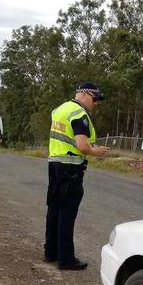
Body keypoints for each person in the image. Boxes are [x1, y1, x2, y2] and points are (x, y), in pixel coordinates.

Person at [44, 82, 110, 270]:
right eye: (95, 99)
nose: (96, 103)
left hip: (55, 164)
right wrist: (95, 152)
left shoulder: (59, 109)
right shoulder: (79, 114)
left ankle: (51, 252)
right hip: (70, 169)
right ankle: (66, 259)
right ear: (85, 94)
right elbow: (82, 145)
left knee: (54, 209)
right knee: (67, 214)